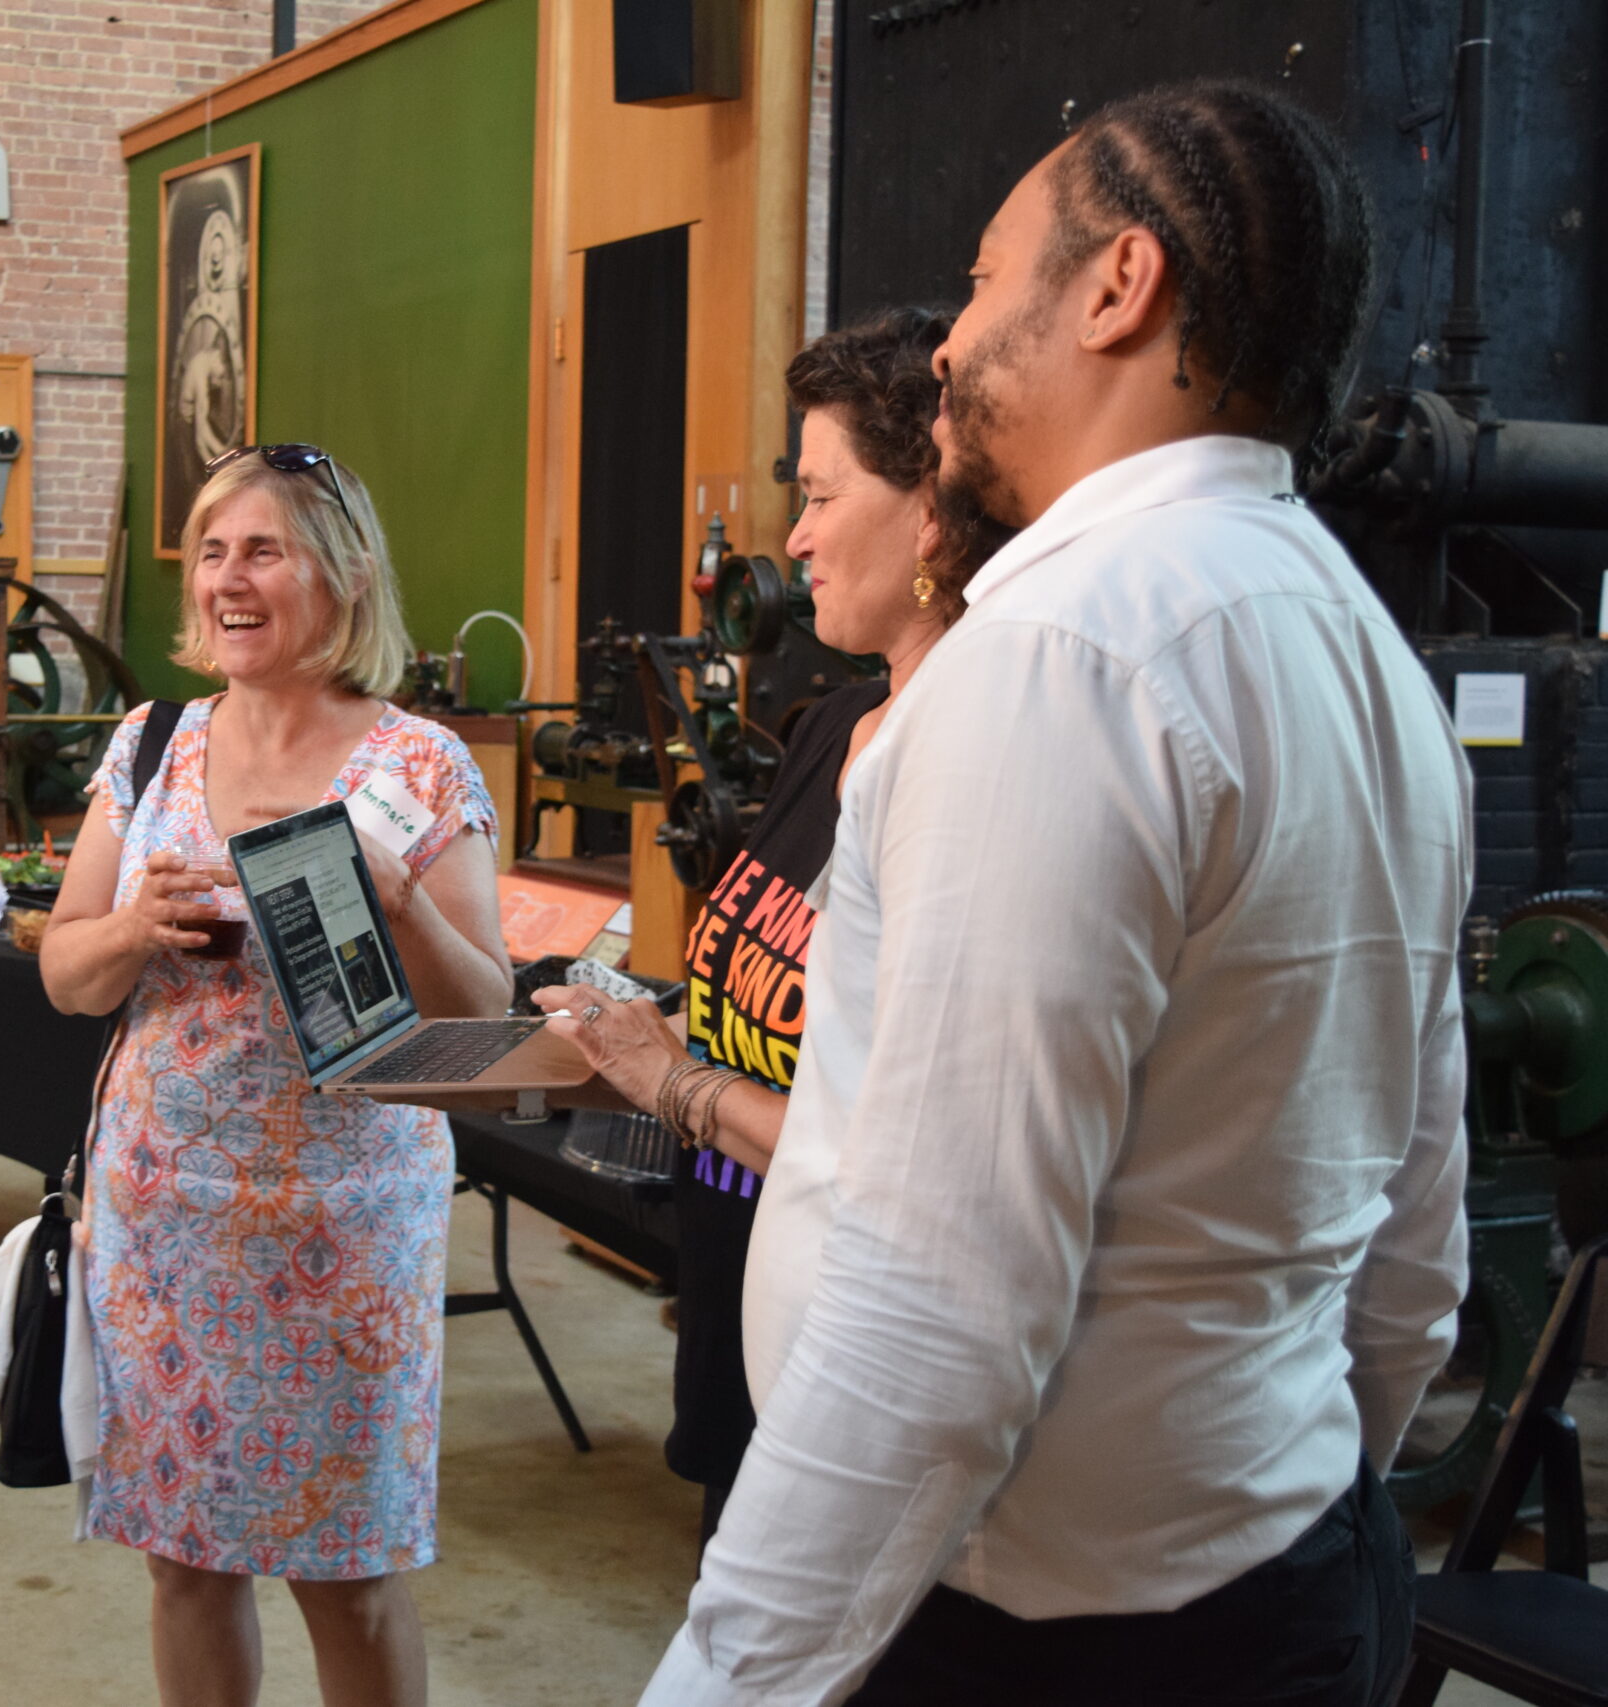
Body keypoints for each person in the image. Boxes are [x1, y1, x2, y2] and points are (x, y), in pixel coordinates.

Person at [639, 80, 1471, 1706]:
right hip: (1270, 1574)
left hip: (1043, 1633)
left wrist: (725, 1681)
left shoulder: (1060, 657)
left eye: (987, 271)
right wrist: (1283, 1483)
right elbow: (1413, 1209)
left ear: (1117, 285)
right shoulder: (1367, 652)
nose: (946, 342)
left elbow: (937, 1303)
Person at [40, 445, 513, 1707]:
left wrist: (393, 889)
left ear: (344, 571)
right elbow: (65, 973)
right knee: (184, 1562)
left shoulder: (418, 766)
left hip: (346, 1230)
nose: (226, 580)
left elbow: (482, 1020)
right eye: (209, 551)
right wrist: (137, 927)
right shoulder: (148, 745)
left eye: (262, 549)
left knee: (347, 1572)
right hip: (162, 1215)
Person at [535, 307, 1007, 1548]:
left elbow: (895, 1154)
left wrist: (669, 1084)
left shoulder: (966, 772)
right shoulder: (827, 725)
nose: (792, 537)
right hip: (742, 1299)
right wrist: (608, 1033)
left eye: (818, 494)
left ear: (926, 513)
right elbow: (767, 1000)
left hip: (852, 1364)